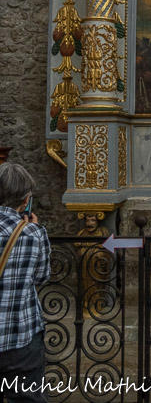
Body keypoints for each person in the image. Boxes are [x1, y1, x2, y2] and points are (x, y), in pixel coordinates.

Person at [0, 164, 51, 402]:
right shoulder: (34, 233)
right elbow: (41, 277)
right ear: (26, 200)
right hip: (19, 336)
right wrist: (31, 225)